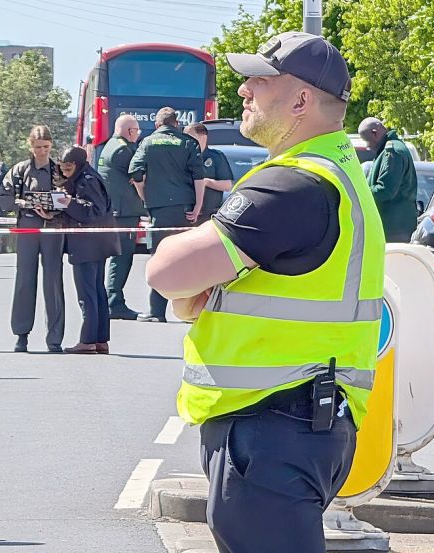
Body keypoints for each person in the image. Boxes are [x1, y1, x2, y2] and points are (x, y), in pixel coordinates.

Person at [146, 33, 384, 553]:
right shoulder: (333, 173)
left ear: (301, 100)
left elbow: (166, 274)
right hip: (301, 422)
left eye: (259, 79)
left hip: (274, 426)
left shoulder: (293, 186)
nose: (244, 88)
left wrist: (200, 276)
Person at [129, 107, 206, 323]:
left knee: (160, 258)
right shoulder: (188, 142)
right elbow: (199, 176)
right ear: (176, 123)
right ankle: (187, 310)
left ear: (157, 125)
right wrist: (198, 206)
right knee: (185, 257)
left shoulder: (147, 142)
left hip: (159, 209)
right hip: (184, 208)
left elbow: (135, 173)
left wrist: (145, 197)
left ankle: (156, 311)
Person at [0, 125, 65, 353]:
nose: (42, 152)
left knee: (53, 282)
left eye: (46, 147)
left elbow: (70, 199)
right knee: (25, 279)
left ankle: (54, 338)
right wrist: (26, 204)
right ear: (30, 146)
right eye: (38, 147)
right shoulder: (20, 170)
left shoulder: (60, 170)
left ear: (51, 145)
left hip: (53, 228)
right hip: (27, 227)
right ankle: (21, 334)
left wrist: (53, 210)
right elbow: (4, 199)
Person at [53, 146, 120, 354]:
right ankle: (100, 340)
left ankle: (88, 340)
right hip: (96, 242)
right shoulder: (88, 176)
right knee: (97, 292)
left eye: (69, 166)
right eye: (63, 167)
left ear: (78, 164)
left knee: (87, 293)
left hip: (87, 244)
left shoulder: (87, 180)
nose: (65, 171)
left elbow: (94, 211)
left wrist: (68, 203)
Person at [98, 113, 145, 320]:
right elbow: (138, 176)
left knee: (118, 257)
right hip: (124, 212)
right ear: (129, 131)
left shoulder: (110, 145)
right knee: (122, 257)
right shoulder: (124, 150)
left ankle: (111, 299)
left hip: (116, 210)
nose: (138, 134)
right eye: (136, 131)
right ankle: (114, 301)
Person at [359, 117, 418, 242]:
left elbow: (385, 190)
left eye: (367, 140)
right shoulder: (392, 148)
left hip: (393, 228)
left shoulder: (392, 152)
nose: (368, 146)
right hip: (395, 226)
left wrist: (360, 192)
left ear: (374, 133)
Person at [184, 122, 234, 225]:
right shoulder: (183, 157)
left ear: (203, 137)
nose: (186, 141)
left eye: (190, 137)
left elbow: (227, 185)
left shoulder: (216, 157)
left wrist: (206, 182)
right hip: (187, 213)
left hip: (209, 215)